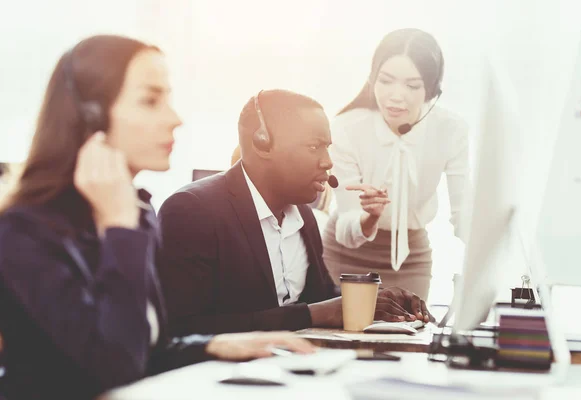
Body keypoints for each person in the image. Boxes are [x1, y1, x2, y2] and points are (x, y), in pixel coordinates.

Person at [0, 36, 313, 400]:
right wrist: (119, 226)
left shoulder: (138, 211)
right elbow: (112, 366)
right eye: (150, 101)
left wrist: (212, 346)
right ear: (90, 116)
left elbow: (141, 346)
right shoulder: (25, 230)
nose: (175, 119)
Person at [157, 89, 433, 338]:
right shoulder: (191, 211)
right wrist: (314, 314)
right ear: (262, 143)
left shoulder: (303, 217)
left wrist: (379, 300)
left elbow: (321, 297)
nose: (327, 161)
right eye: (314, 147)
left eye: (327, 147)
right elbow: (183, 328)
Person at [322, 28, 470, 300]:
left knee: (410, 333)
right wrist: (370, 217)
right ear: (372, 79)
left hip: (410, 257)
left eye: (412, 86)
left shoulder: (451, 130)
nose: (395, 96)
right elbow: (346, 227)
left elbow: (464, 215)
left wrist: (490, 241)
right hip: (346, 255)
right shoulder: (347, 127)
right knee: (341, 336)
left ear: (432, 89)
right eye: (386, 81)